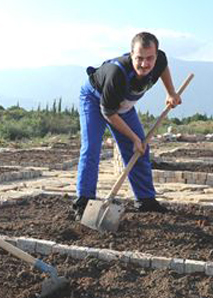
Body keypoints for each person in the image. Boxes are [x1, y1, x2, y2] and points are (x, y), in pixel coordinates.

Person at [72, 32, 181, 220]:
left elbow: (163, 67)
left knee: (140, 149)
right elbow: (108, 113)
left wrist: (171, 92)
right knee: (91, 149)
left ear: (156, 55)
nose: (145, 64)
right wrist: (133, 137)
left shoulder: (160, 60)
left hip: (123, 105)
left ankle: (145, 200)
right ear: (131, 55)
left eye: (150, 58)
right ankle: (83, 203)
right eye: (139, 58)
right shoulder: (117, 74)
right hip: (95, 99)